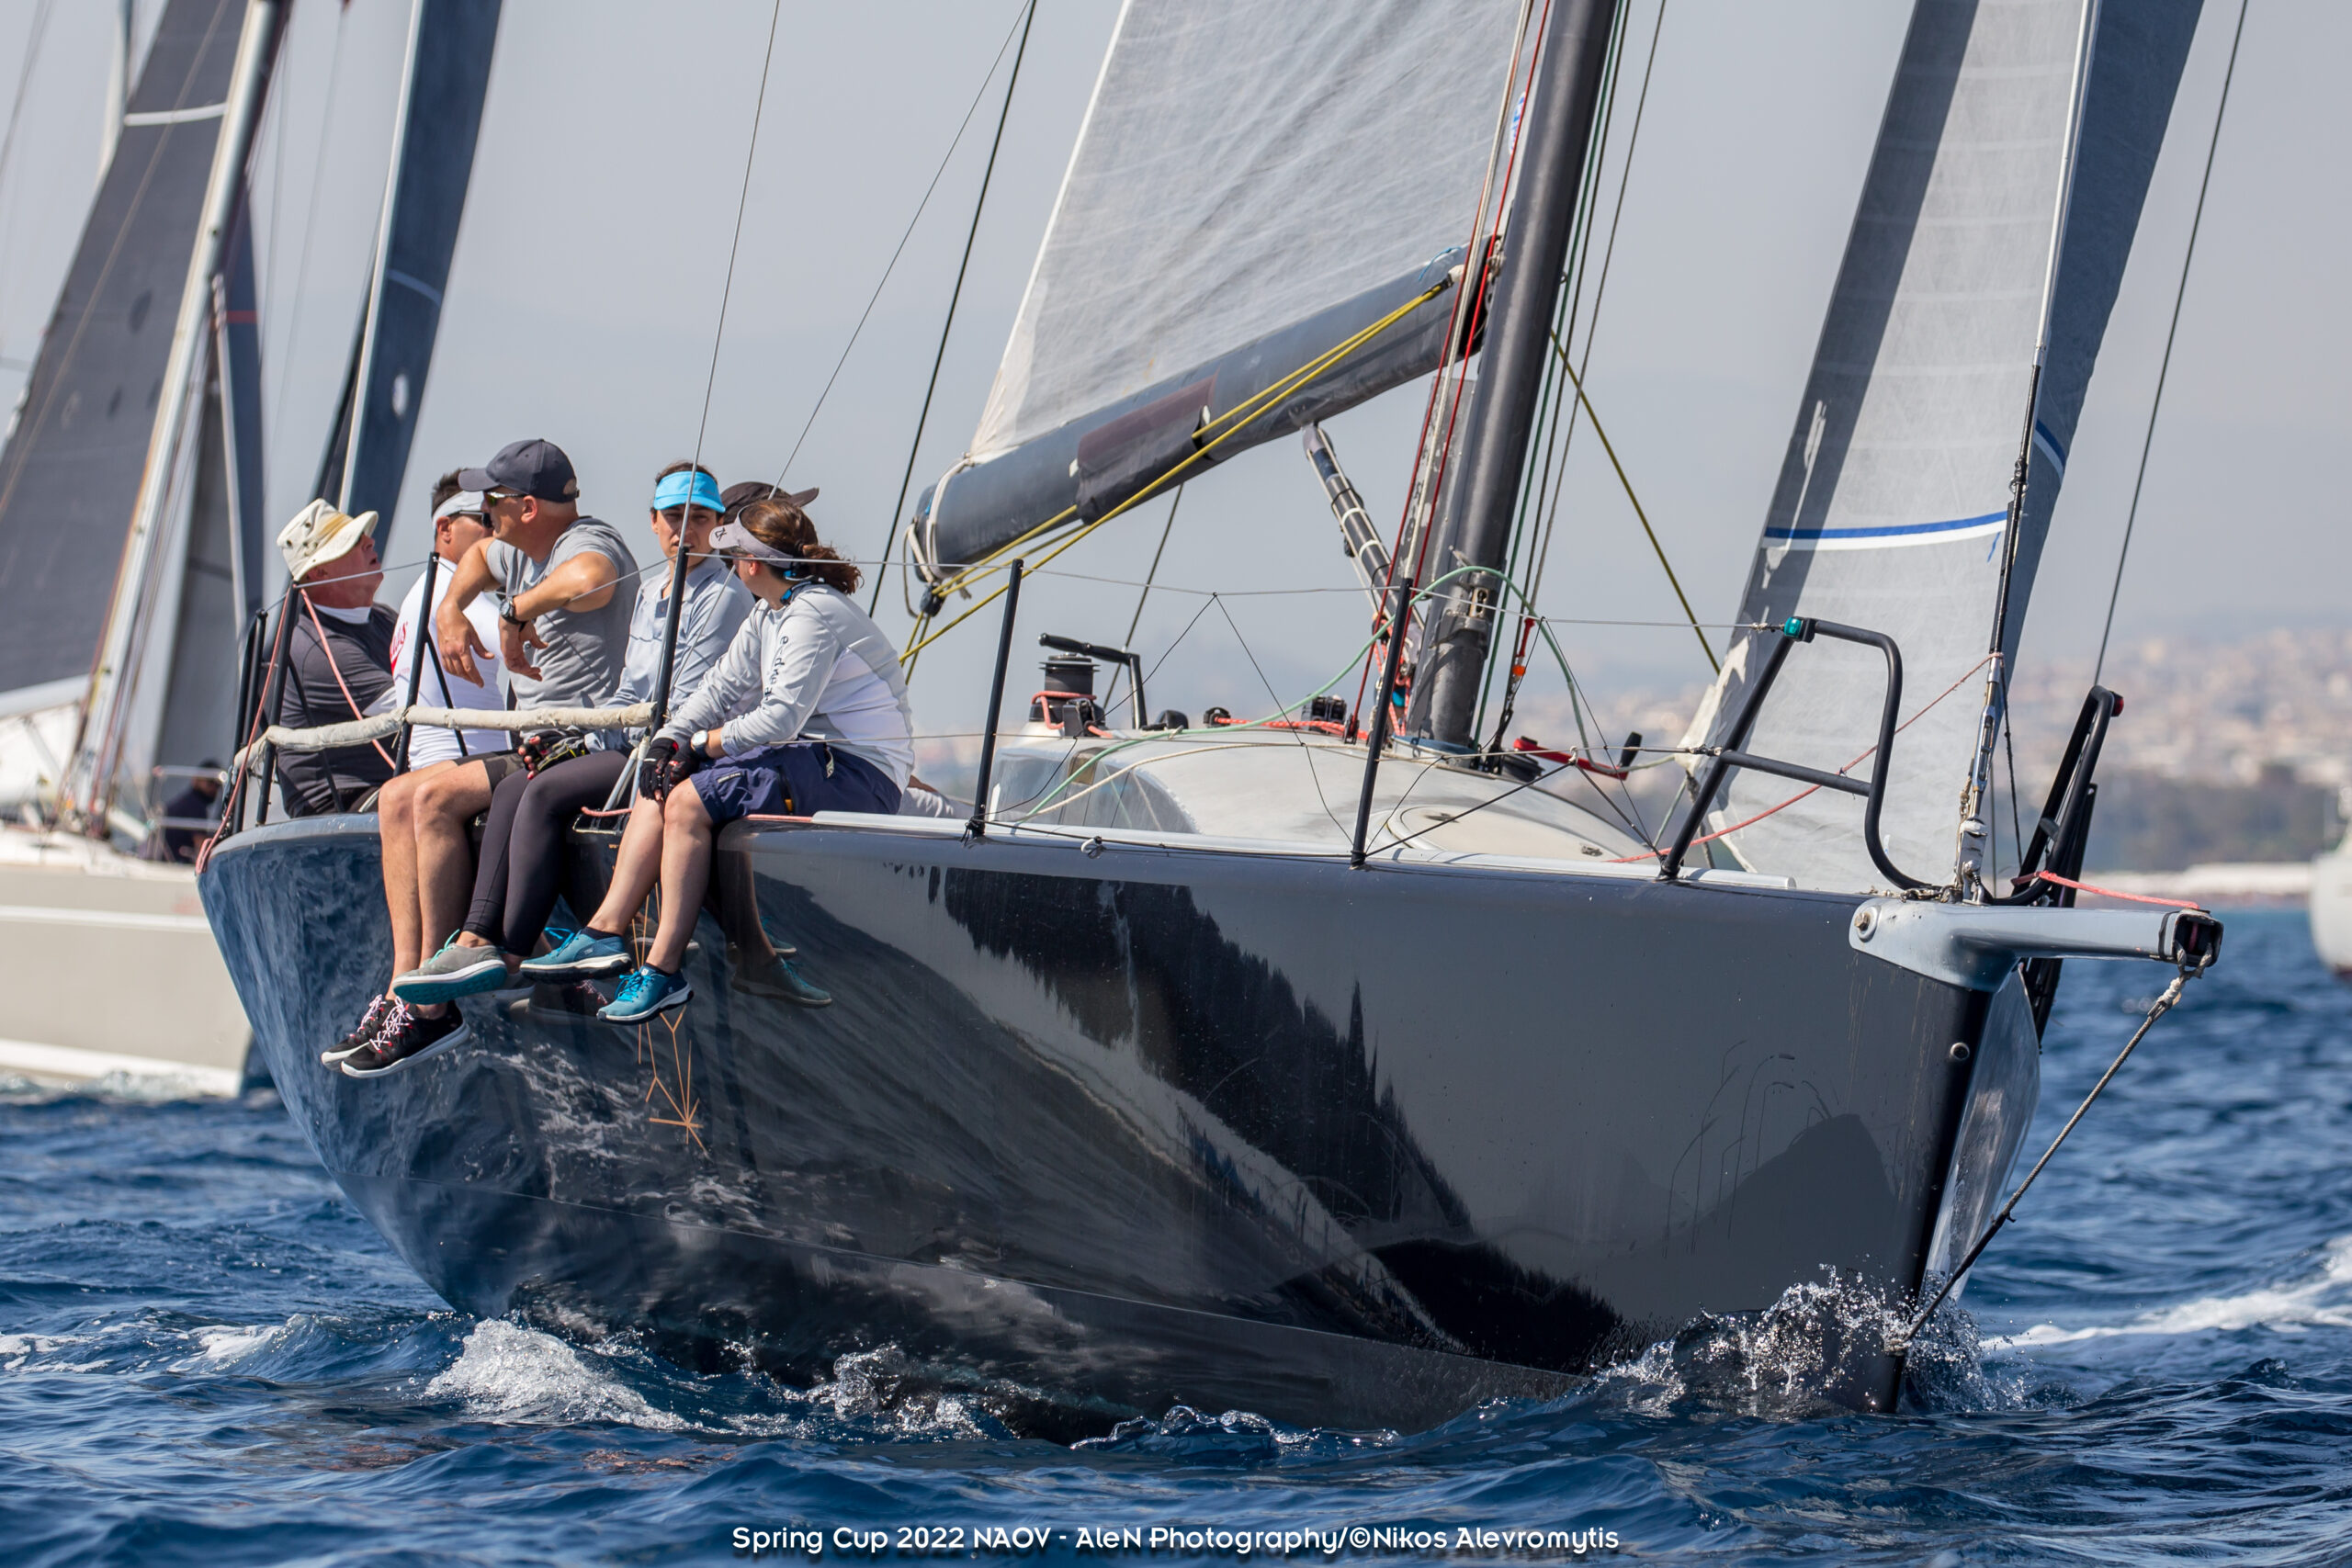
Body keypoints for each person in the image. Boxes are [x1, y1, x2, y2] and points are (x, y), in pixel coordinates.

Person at [350, 464, 756, 1065]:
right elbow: (631, 690)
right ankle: (477, 940)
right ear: (653, 521)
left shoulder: (722, 595)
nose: (684, 531)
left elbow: (694, 698)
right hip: (626, 740)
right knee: (524, 783)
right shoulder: (654, 591)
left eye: (699, 519)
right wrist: (586, 739)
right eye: (674, 518)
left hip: (674, 751)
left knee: (540, 791)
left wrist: (617, 738)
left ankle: (511, 954)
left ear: (718, 526)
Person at [526, 495, 911, 1022]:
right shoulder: (770, 610)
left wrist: (701, 744)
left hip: (858, 773)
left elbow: (780, 719)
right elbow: (719, 687)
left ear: (751, 563)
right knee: (662, 778)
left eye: (732, 556)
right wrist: (669, 740)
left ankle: (662, 971)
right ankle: (604, 932)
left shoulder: (811, 613)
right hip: (812, 756)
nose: (727, 564)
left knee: (688, 802)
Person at [326, 438, 637, 1073]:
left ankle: (435, 1004)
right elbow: (474, 562)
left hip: (581, 748)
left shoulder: (587, 543)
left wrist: (517, 612)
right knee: (397, 795)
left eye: (492, 502)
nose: (485, 513)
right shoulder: (515, 549)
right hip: (536, 748)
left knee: (435, 797)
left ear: (528, 507)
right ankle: (405, 985)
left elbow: (592, 580)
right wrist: (450, 611)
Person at [322, 474, 511, 1065]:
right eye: (485, 522)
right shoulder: (463, 596)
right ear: (445, 529)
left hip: (456, 761)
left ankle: (409, 988)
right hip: (468, 760)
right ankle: (416, 990)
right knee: (405, 796)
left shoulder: (428, 591)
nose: (497, 531)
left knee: (400, 795)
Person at [270, 501, 397, 816]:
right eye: (353, 541)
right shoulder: (319, 650)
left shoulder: (383, 618)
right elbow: (419, 706)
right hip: (339, 803)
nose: (370, 542)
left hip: (387, 788)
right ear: (320, 571)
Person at [154, 764, 222, 862]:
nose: (214, 788)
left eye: (217, 785)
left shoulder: (188, 800)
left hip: (164, 856)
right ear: (196, 780)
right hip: (174, 860)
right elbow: (201, 844)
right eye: (210, 782)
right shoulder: (195, 805)